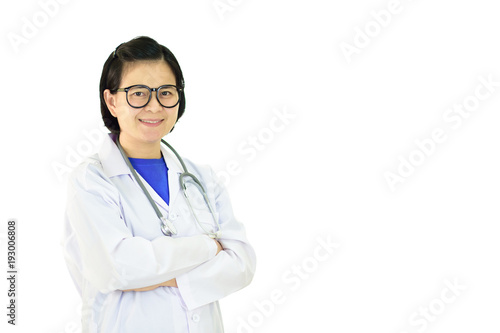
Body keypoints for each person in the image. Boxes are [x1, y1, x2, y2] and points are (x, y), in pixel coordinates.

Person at [62, 36, 256, 332]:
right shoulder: (91, 180)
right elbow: (118, 268)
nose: (154, 106)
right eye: (138, 93)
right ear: (111, 101)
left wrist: (155, 275)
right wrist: (208, 249)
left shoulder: (202, 178)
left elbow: (242, 264)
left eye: (166, 92)